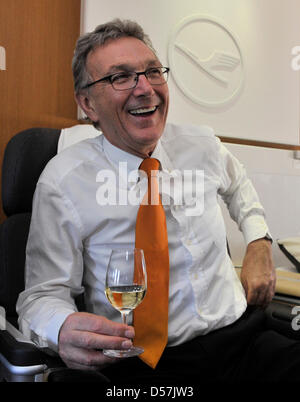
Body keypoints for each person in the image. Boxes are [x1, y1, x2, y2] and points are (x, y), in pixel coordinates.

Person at [16, 19, 300, 383]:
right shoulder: (63, 181)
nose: (145, 88)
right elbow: (41, 296)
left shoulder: (202, 145)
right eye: (121, 77)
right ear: (88, 103)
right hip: (144, 366)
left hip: (242, 341)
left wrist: (259, 241)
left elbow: (239, 185)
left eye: (153, 71)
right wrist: (63, 328)